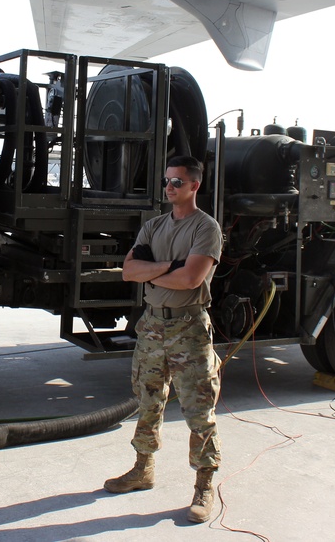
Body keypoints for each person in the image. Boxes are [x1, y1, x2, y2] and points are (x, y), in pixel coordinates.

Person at [105, 155, 224, 524]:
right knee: (148, 400)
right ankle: (143, 469)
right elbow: (128, 271)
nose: (169, 188)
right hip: (152, 325)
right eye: (166, 181)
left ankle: (204, 486)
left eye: (177, 182)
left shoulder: (206, 229)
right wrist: (169, 267)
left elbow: (190, 280)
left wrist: (152, 272)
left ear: (194, 186)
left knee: (198, 409)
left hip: (188, 329)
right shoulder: (153, 227)